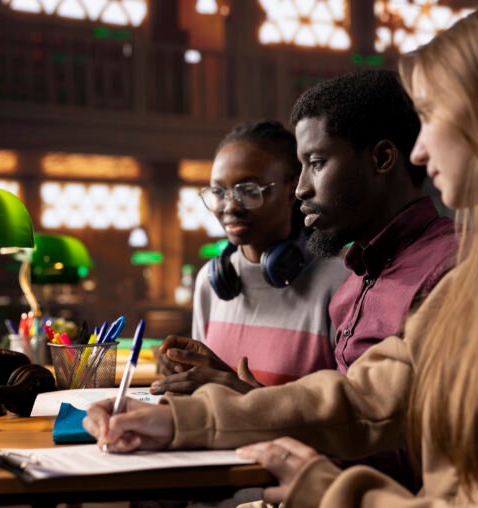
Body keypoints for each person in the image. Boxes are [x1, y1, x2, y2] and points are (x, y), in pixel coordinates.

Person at [85, 1, 478, 508]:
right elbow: (362, 400)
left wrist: (327, 493)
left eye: (431, 115)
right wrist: (181, 422)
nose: (419, 150)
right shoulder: (477, 284)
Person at [152, 70, 457, 398]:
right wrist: (234, 392)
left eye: (317, 163)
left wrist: (248, 401)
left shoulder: (449, 268)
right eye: (218, 191)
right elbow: (346, 415)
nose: (301, 190)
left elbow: (375, 423)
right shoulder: (357, 280)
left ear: (382, 158)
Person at [154, 120, 349, 395]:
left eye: (248, 191)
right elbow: (203, 396)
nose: (230, 206)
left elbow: (350, 415)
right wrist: (180, 369)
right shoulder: (209, 284)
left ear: (292, 187)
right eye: (219, 192)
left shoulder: (340, 280)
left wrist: (243, 393)